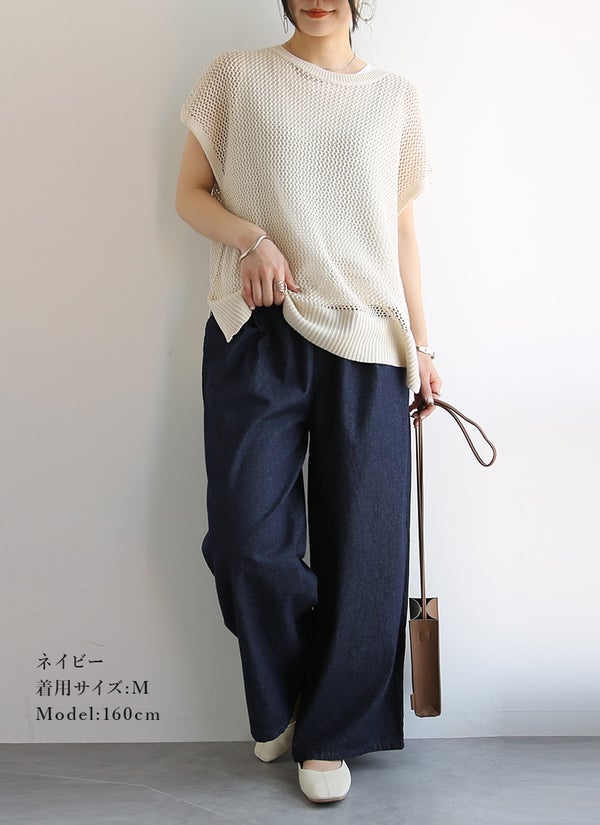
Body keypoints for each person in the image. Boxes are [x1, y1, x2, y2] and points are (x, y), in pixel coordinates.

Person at [175, 0, 442, 804]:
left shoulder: (394, 97)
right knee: (246, 539)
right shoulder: (236, 77)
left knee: (366, 548)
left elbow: (403, 233)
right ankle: (291, 697)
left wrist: (425, 347)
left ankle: (330, 735)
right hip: (260, 326)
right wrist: (252, 238)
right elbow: (190, 194)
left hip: (369, 335)